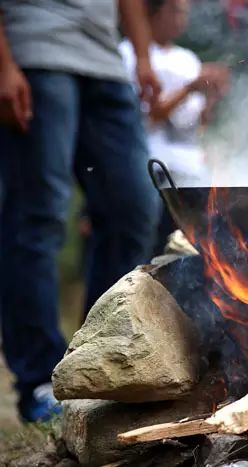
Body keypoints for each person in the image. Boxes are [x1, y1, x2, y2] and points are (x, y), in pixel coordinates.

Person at [0, 0, 161, 422]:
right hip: (35, 49)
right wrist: (3, 64)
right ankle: (39, 381)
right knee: (40, 215)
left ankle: (99, 364)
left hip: (106, 62)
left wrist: (143, 57)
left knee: (134, 208)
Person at [120, 0, 230, 253]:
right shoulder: (131, 54)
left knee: (185, 251)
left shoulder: (187, 59)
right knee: (150, 248)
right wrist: (190, 88)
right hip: (155, 168)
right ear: (154, 12)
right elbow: (147, 117)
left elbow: (195, 124)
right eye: (176, 11)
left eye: (185, 13)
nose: (182, 19)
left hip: (188, 175)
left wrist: (211, 96)